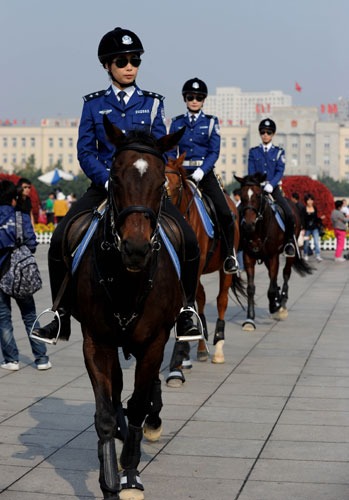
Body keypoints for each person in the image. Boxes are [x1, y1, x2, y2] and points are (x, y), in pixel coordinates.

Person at [32, 27, 201, 344]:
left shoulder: (152, 104)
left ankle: (187, 310)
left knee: (189, 240)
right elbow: (85, 151)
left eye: (134, 60)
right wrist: (107, 179)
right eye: (121, 60)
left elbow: (159, 150)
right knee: (59, 238)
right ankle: (60, 313)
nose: (129, 66)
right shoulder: (94, 105)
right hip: (106, 185)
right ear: (107, 65)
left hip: (145, 193)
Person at [168, 78, 238, 274]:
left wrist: (202, 170)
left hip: (203, 174)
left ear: (204, 100)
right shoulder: (176, 123)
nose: (194, 101)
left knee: (225, 212)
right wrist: (174, 168)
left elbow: (214, 152)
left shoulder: (210, 122)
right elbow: (170, 150)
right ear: (184, 98)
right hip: (180, 173)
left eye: (198, 98)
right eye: (191, 97)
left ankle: (230, 255)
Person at [0, 180, 51, 370]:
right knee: (30, 316)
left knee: (4, 318)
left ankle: (11, 360)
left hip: (0, 274)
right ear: (14, 200)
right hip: (20, 275)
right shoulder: (20, 217)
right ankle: (42, 359)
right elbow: (32, 244)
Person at [248, 118, 296, 257]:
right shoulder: (254, 152)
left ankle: (288, 242)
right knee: (241, 212)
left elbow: (280, 171)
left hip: (273, 189)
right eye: (263, 132)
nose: (265, 135)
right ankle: (240, 243)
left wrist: (271, 184)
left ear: (273, 134)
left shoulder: (279, 152)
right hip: (257, 189)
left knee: (288, 214)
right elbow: (251, 171)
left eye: (268, 132)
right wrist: (257, 185)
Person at [301, 193, 324, 262]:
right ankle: (305, 254)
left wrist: (320, 219)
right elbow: (302, 219)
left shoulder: (314, 208)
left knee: (316, 242)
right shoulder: (304, 209)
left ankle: (318, 255)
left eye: (311, 200)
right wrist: (303, 228)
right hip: (307, 229)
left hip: (315, 228)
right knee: (306, 243)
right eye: (308, 200)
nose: (310, 201)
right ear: (306, 201)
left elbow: (316, 218)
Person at [232, 188, 244, 271]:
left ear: (237, 196)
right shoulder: (237, 205)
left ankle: (241, 267)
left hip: (241, 230)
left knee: (239, 250)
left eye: (234, 196)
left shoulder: (241, 206)